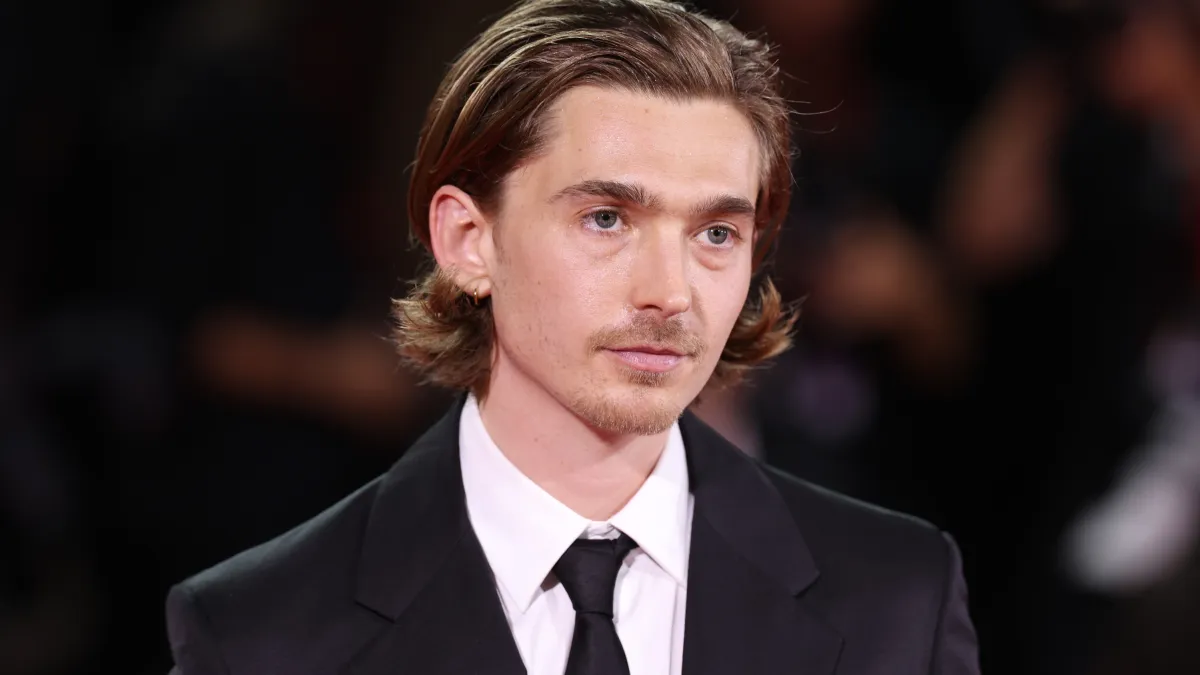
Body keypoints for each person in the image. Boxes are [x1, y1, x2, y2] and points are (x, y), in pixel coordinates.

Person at [163, 1, 980, 673]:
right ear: (467, 241)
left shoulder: (898, 597)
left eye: (717, 234)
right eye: (606, 218)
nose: (669, 292)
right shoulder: (258, 635)